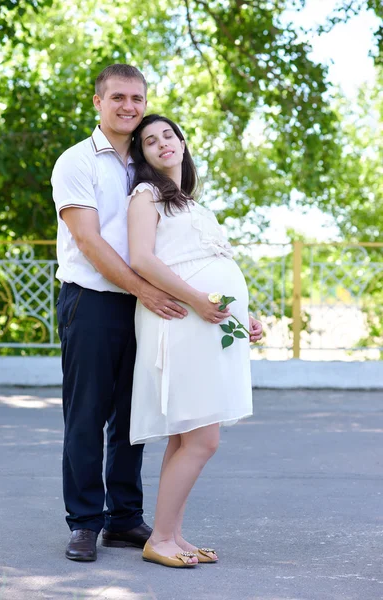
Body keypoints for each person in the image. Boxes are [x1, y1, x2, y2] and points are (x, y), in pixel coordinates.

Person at [51, 63, 263, 563]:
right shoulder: (77, 161)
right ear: (98, 103)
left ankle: (124, 518)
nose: (129, 106)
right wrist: (143, 289)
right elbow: (88, 239)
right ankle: (84, 521)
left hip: (152, 307)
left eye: (137, 98)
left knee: (133, 416)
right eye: (118, 97)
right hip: (97, 300)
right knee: (87, 414)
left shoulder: (148, 166)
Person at [127, 114, 255, 568]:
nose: (161, 143)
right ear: (141, 155)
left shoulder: (194, 205)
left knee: (186, 439)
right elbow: (141, 258)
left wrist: (245, 315)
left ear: (182, 143)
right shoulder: (146, 197)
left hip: (206, 322)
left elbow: (207, 262)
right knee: (203, 439)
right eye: (148, 141)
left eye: (168, 135)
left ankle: (173, 536)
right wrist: (200, 301)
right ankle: (159, 537)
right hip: (180, 320)